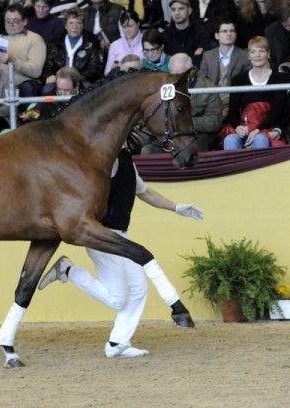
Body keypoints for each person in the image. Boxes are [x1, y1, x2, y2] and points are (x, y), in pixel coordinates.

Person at [39, 148, 202, 358]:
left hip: (122, 237)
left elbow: (144, 192)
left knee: (139, 289)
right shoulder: (98, 162)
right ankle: (69, 271)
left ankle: (118, 343)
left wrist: (177, 207)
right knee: (117, 300)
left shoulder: (125, 160)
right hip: (102, 236)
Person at [143, 53, 221, 153]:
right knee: (147, 150)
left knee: (193, 147)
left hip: (198, 133)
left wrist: (183, 122)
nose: (175, 80)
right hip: (169, 134)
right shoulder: (164, 88)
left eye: (179, 75)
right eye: (172, 75)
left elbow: (214, 122)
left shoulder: (208, 89)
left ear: (191, 72)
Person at [221, 36, 287, 150]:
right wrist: (237, 127)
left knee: (260, 139)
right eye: (253, 51)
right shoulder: (238, 79)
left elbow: (278, 111)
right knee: (230, 140)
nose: (257, 55)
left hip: (267, 127)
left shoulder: (278, 78)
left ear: (268, 54)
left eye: (261, 51)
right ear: (249, 55)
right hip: (244, 126)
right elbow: (233, 110)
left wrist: (258, 129)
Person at [41, 7, 103, 94]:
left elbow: (94, 69)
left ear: (83, 25)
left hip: (81, 80)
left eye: (79, 23)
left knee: (89, 89)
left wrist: (77, 78)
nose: (75, 26)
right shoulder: (55, 42)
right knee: (47, 89)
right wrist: (51, 77)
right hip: (59, 81)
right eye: (71, 23)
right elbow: (48, 67)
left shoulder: (92, 42)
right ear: (65, 25)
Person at [199, 19, 250, 119]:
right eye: (224, 31)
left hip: (235, 101)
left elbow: (246, 83)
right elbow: (202, 81)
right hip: (212, 100)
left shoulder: (245, 56)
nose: (229, 34)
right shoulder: (208, 56)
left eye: (232, 31)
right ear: (217, 36)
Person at [0, 4, 47, 97]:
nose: (11, 24)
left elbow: (36, 71)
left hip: (22, 83)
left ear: (25, 21)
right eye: (8, 21)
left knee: (27, 87)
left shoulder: (35, 39)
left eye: (15, 21)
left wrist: (13, 60)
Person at [162, 0, 209, 68]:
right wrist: (192, 56)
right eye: (173, 10)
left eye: (181, 9)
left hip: (195, 74)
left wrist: (177, 59)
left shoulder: (201, 33)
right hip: (172, 73)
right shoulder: (165, 34)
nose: (177, 13)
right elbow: (166, 61)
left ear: (189, 11)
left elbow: (201, 60)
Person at [104, 9, 143, 75]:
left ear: (138, 23)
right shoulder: (115, 45)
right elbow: (107, 73)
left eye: (130, 26)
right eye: (124, 27)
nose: (127, 30)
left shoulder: (146, 41)